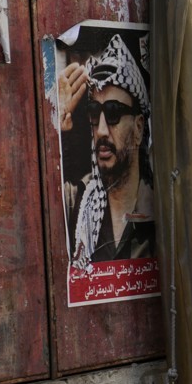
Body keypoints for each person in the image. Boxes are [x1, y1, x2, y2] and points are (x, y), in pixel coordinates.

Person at [57, 33, 155, 269]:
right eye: (94, 112)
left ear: (139, 127)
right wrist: (54, 124)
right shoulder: (75, 203)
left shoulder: (159, 206)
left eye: (113, 113)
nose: (101, 130)